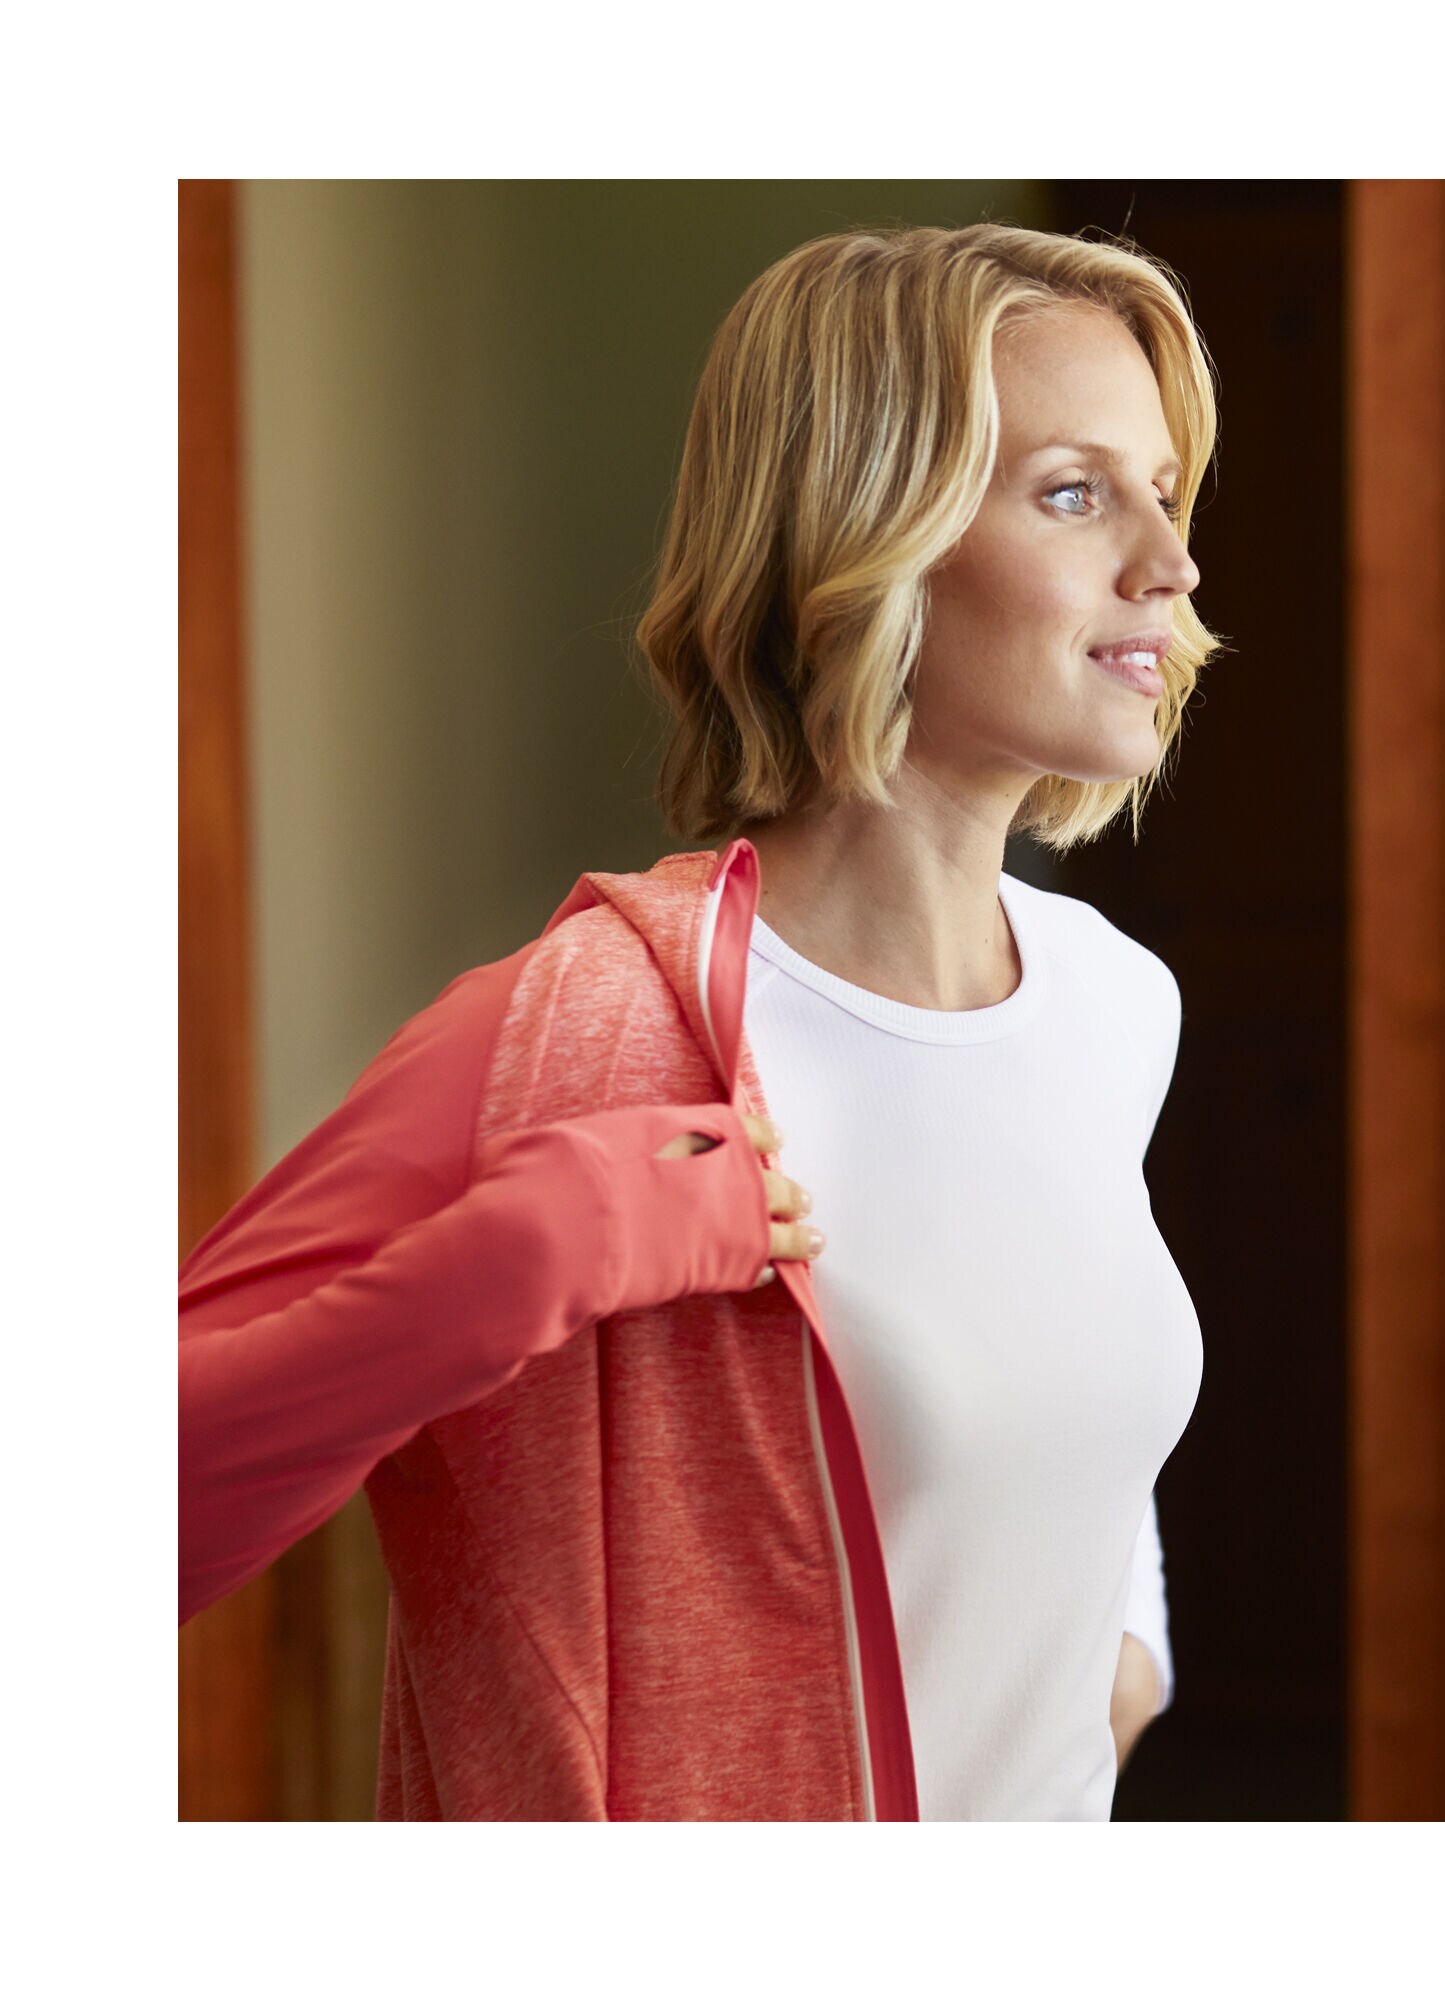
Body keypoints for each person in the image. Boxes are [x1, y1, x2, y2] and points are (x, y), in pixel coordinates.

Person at [179, 219, 1219, 1821]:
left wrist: (1125, 1639)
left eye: (1163, 490)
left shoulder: (1114, 1003)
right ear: (868, 531)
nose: (1171, 562)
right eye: (1075, 494)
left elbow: (1044, 1361)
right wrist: (508, 1267)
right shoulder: (567, 1030)